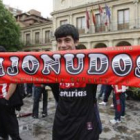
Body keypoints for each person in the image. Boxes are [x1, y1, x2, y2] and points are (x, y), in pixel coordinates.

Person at [52, 24, 102, 140]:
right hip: (62, 124)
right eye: (59, 41)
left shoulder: (90, 63)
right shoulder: (52, 65)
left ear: (76, 41)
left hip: (86, 124)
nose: (63, 45)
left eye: (67, 40)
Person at [0, 46, 21, 140]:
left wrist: (6, 98)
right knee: (2, 130)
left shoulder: (9, 65)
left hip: (6, 101)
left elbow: (14, 82)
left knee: (12, 129)